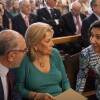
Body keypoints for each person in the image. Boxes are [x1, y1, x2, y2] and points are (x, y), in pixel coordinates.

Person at [14, 22, 71, 100]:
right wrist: (36, 96)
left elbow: (65, 82)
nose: (52, 44)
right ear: (34, 45)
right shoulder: (23, 59)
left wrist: (69, 96)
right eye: (47, 41)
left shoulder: (55, 53)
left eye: (52, 39)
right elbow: (18, 89)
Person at [76, 20, 100, 100]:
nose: (92, 41)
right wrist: (78, 96)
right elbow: (82, 76)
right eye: (91, 36)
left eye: (98, 37)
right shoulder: (86, 53)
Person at [0, 30, 27, 100]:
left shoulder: (10, 68)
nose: (25, 53)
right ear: (11, 56)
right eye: (24, 50)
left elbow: (15, 94)